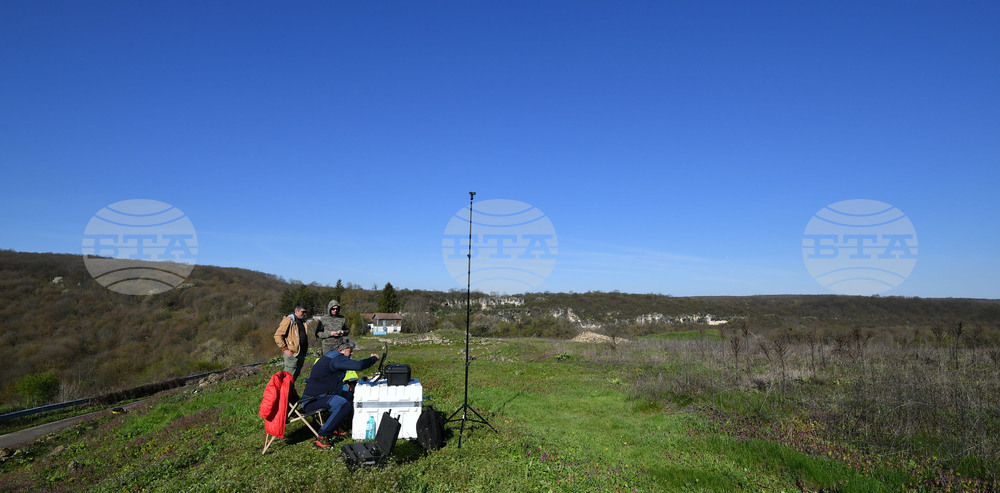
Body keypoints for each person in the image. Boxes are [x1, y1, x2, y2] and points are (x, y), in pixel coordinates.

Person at [302, 339, 379, 449]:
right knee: (343, 404)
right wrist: (373, 358)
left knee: (350, 396)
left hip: (323, 395)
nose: (352, 353)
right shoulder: (336, 359)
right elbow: (359, 366)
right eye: (350, 350)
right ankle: (322, 436)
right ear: (341, 350)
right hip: (312, 400)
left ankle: (338, 427)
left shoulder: (334, 356)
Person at [273, 303, 310, 381]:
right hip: (292, 354)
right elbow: (277, 335)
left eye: (305, 312)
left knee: (294, 377)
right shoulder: (289, 320)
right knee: (287, 378)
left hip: (301, 353)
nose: (304, 314)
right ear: (296, 311)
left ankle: (290, 392)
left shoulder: (303, 322)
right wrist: (285, 349)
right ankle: (283, 393)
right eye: (302, 312)